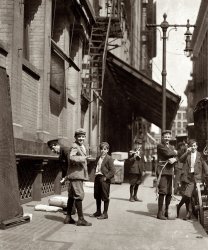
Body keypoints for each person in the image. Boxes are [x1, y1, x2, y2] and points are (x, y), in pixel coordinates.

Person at [64, 128, 92, 226]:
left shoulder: (81, 146)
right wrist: (83, 158)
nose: (81, 138)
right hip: (76, 175)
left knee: (71, 195)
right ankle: (81, 219)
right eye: (79, 137)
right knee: (79, 195)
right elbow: (71, 157)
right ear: (75, 137)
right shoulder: (75, 146)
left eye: (83, 137)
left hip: (74, 174)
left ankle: (68, 217)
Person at [177, 139, 208, 220]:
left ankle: (186, 211)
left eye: (194, 146)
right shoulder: (187, 154)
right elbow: (180, 159)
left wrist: (207, 173)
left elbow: (204, 164)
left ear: (197, 146)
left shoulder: (199, 155)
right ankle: (186, 210)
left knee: (188, 194)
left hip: (195, 178)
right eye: (191, 146)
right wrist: (187, 152)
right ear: (189, 147)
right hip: (187, 176)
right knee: (187, 196)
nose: (193, 147)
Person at [47, 139, 76, 215]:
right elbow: (63, 168)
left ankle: (72, 210)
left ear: (56, 145)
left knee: (74, 193)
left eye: (53, 149)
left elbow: (70, 165)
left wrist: (66, 177)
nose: (53, 151)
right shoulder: (60, 156)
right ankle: (71, 209)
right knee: (71, 193)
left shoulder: (66, 151)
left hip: (74, 175)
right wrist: (63, 178)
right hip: (69, 176)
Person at [90, 142, 115, 219]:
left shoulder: (109, 158)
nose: (102, 151)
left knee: (105, 196)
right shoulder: (98, 158)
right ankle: (98, 211)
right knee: (97, 195)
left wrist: (106, 177)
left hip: (104, 179)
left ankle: (105, 213)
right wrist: (93, 174)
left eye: (105, 149)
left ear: (107, 150)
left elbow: (113, 170)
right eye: (101, 149)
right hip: (98, 177)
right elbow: (95, 166)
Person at [156, 130, 177, 220]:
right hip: (163, 170)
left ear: (170, 138)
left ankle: (167, 211)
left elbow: (176, 156)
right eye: (165, 137)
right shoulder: (160, 145)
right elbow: (168, 153)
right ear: (162, 138)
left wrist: (175, 159)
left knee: (169, 192)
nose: (167, 138)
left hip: (170, 171)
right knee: (162, 191)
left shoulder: (172, 146)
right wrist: (175, 152)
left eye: (168, 137)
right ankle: (159, 213)